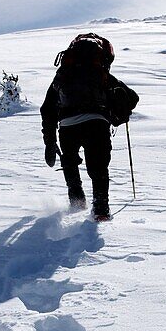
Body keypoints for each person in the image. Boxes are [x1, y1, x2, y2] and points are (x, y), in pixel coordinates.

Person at [40, 33, 138, 221]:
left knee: (70, 162)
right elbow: (132, 98)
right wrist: (117, 111)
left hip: (67, 126)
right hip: (97, 123)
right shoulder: (100, 73)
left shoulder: (63, 74)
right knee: (98, 166)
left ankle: (77, 201)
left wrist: (50, 140)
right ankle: (100, 208)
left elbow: (47, 108)